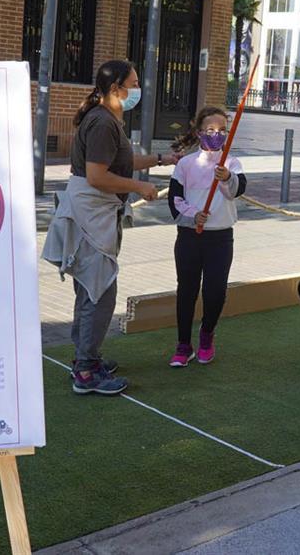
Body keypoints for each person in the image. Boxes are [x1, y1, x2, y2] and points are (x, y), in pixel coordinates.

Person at [42, 60, 177, 396]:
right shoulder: (102, 122)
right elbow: (97, 176)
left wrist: (162, 160)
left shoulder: (107, 119)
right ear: (116, 88)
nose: (137, 89)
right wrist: (138, 187)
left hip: (94, 213)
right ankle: (86, 371)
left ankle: (85, 358)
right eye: (133, 83)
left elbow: (119, 161)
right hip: (90, 215)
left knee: (91, 289)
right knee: (98, 292)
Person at [166, 107, 247, 367]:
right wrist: (194, 216)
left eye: (222, 130)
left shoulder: (231, 163)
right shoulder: (186, 164)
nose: (216, 135)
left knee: (215, 292)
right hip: (189, 237)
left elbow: (237, 191)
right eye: (211, 130)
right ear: (199, 132)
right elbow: (174, 199)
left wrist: (227, 178)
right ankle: (183, 344)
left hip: (220, 238)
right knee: (187, 290)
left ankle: (207, 333)